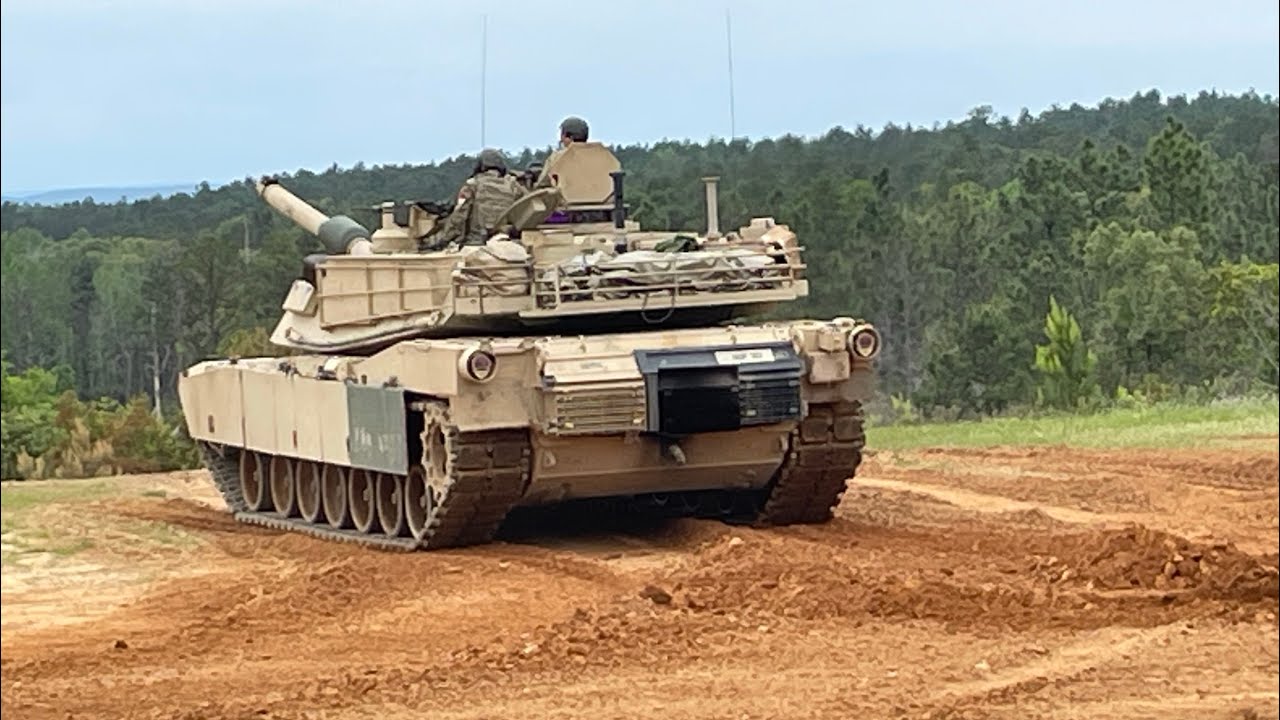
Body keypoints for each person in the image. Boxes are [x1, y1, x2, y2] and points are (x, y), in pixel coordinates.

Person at [428, 148, 526, 249]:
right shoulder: (513, 186)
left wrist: (444, 240)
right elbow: (525, 210)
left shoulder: (472, 184)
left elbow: (459, 215)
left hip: (476, 242)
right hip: (506, 242)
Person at [534, 116, 590, 189]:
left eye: (562, 135)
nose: (561, 139)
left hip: (566, 198)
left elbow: (542, 183)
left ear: (569, 137)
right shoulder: (600, 155)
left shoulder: (558, 157)